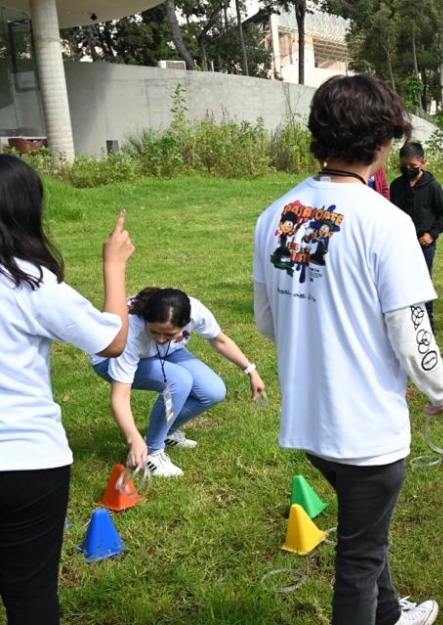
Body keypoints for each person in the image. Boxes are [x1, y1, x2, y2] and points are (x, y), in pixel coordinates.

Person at [254, 74, 443, 625]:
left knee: (368, 532)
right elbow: (414, 333)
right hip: (367, 431)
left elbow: (268, 322)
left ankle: (389, 616)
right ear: (383, 143)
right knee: (359, 560)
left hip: (311, 424)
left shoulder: (274, 216)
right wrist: (441, 390)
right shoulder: (388, 223)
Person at [0, 155, 133, 625]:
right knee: (30, 597)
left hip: (26, 462)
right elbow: (114, 340)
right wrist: (113, 266)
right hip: (27, 463)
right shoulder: (31, 283)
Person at [92, 287, 267, 477]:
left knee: (213, 391)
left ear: (186, 323)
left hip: (168, 352)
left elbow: (220, 340)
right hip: (109, 359)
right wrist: (134, 440)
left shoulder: (195, 311)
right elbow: (120, 397)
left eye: (168, 334)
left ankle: (165, 433)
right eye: (155, 332)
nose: (160, 339)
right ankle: (152, 451)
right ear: (146, 320)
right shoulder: (131, 332)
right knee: (179, 380)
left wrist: (251, 371)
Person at [390, 141, 443, 326]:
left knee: (423, 279)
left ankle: (427, 320)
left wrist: (431, 234)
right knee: (401, 279)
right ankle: (405, 319)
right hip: (402, 242)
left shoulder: (433, 186)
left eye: (413, 166)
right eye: (404, 166)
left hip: (425, 243)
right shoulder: (397, 185)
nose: (408, 169)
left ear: (423, 163)